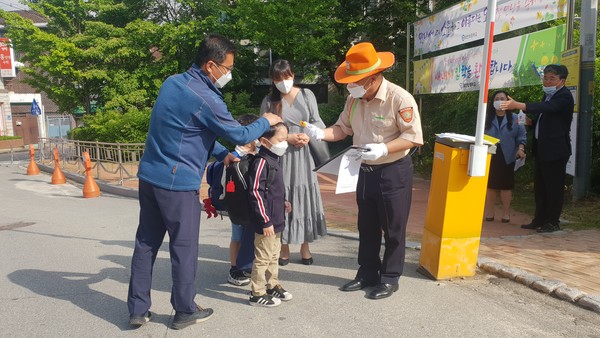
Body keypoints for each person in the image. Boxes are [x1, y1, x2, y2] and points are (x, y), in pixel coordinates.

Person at [127, 34, 282, 329]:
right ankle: (184, 309)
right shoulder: (206, 97)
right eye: (227, 67)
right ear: (211, 65)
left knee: (145, 243)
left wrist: (222, 154)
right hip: (178, 183)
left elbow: (189, 131)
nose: (229, 74)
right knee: (184, 248)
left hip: (149, 177)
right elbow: (239, 134)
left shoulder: (173, 83)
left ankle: (137, 309)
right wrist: (267, 121)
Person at [303, 42, 423, 300]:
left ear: (374, 78)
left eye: (357, 81)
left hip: (393, 170)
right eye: (351, 82)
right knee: (366, 226)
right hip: (364, 170)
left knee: (393, 227)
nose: (352, 86)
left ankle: (390, 277)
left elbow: (413, 137)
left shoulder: (399, 99)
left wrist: (383, 149)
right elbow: (342, 129)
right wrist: (320, 133)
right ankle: (367, 272)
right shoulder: (353, 99)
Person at [259, 59, 327, 266]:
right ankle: (284, 247)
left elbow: (316, 121)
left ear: (293, 75)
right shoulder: (269, 101)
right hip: (281, 155)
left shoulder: (307, 95)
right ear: (273, 80)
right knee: (283, 195)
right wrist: (287, 138)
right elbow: (263, 129)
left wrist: (309, 135)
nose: (284, 82)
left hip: (305, 155)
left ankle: (305, 247)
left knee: (304, 195)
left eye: (287, 77)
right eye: (278, 78)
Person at [502, 64, 574, 233]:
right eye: (545, 78)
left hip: (556, 151)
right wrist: (531, 123)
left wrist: (519, 105)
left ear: (561, 81)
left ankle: (552, 222)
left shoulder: (564, 97)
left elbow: (548, 109)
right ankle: (539, 219)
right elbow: (547, 120)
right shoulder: (547, 95)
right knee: (540, 187)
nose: (547, 82)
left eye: (552, 79)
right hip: (542, 149)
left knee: (554, 188)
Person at [248, 122, 293, 307]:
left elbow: (273, 189)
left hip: (276, 218)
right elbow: (256, 192)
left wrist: (283, 202)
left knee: (274, 255)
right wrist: (265, 220)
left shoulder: (275, 159)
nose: (284, 142)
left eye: (285, 139)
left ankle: (272, 284)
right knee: (263, 257)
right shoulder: (261, 162)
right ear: (265, 141)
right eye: (280, 139)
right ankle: (256, 292)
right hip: (266, 221)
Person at [224, 114, 260, 286]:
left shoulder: (258, 152)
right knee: (237, 237)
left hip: (253, 204)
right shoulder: (234, 155)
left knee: (251, 237)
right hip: (238, 204)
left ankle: (247, 265)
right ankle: (234, 268)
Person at [484, 90, 527, 223]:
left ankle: (506, 213)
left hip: (508, 155)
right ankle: (490, 212)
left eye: (502, 98)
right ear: (492, 102)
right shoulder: (486, 117)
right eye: (497, 98)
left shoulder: (517, 117)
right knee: (490, 186)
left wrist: (520, 148)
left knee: (506, 186)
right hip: (490, 155)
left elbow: (522, 136)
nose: (499, 101)